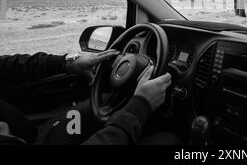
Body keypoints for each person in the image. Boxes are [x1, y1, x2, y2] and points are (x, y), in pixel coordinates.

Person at [0, 50, 172, 145]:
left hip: (32, 136)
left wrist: (66, 62)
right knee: (169, 140)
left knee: (97, 106)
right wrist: (139, 107)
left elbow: (7, 67)